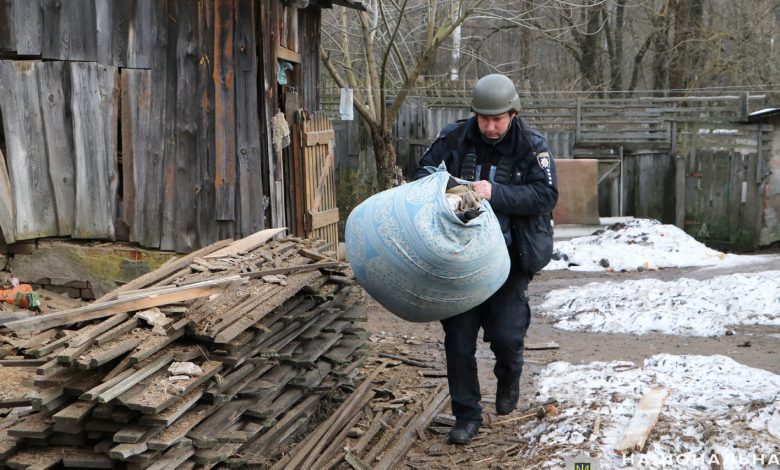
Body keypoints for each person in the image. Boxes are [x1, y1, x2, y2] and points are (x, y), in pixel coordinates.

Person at [414, 74, 558, 444]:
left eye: (498, 119)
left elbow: (545, 196)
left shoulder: (533, 146)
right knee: (458, 341)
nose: (491, 127)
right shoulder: (454, 138)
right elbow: (423, 177)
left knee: (507, 337)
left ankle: (509, 377)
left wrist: (496, 194)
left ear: (513, 113)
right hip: (459, 260)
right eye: (484, 119)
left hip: (509, 260)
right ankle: (467, 416)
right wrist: (460, 196)